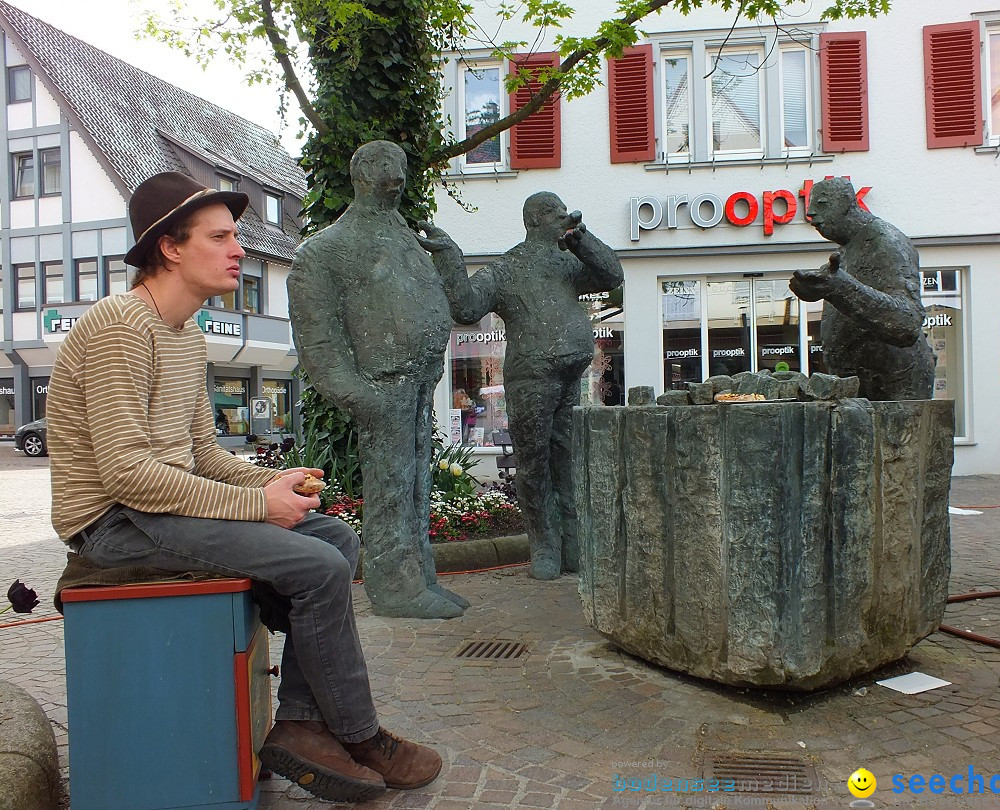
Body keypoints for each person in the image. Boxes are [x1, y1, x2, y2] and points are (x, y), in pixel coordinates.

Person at [47, 172, 442, 804]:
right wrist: (259, 506)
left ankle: (302, 722)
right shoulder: (122, 325)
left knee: (333, 538)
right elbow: (125, 473)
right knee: (316, 567)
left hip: (158, 511)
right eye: (221, 236)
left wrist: (270, 482)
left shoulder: (185, 334)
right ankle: (359, 735)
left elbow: (204, 457)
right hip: (114, 526)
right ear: (170, 248)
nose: (239, 250)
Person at [288, 140, 468, 619]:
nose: (398, 173)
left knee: (416, 483)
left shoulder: (403, 234)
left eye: (402, 164)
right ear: (361, 172)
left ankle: (420, 577)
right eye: (386, 164)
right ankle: (394, 587)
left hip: (418, 380)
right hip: (381, 386)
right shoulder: (327, 250)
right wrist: (359, 394)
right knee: (391, 486)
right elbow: (318, 341)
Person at [417, 192, 624, 580]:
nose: (565, 218)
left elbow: (613, 275)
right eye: (558, 214)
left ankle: (574, 546)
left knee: (566, 457)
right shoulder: (508, 268)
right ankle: (545, 546)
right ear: (536, 220)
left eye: (566, 213)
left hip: (569, 372)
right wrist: (448, 256)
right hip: (531, 373)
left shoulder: (568, 262)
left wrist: (581, 238)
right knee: (534, 461)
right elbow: (465, 308)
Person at [789, 177, 935, 400]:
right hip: (865, 392)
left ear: (847, 203)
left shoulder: (886, 241)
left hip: (892, 393)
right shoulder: (849, 249)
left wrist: (838, 288)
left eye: (822, 204)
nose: (810, 213)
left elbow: (906, 324)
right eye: (811, 205)